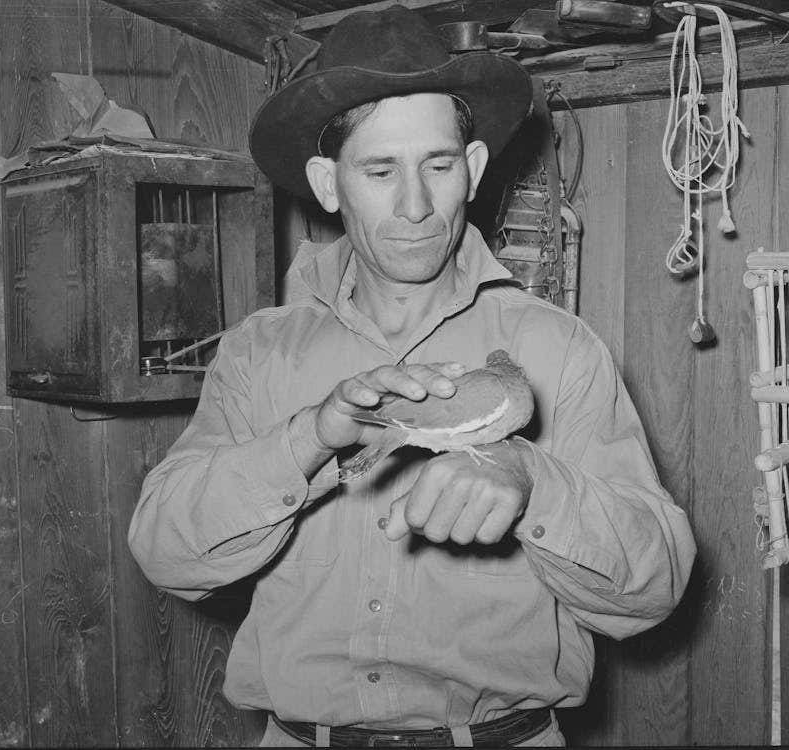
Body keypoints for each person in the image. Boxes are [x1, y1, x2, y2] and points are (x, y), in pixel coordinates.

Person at [128, 5, 696, 747]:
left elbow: (656, 587)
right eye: (380, 171)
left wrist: (533, 483)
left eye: (439, 165)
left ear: (474, 169)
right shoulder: (256, 355)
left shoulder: (558, 350)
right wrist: (307, 440)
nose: (418, 206)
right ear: (328, 183)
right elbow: (165, 552)